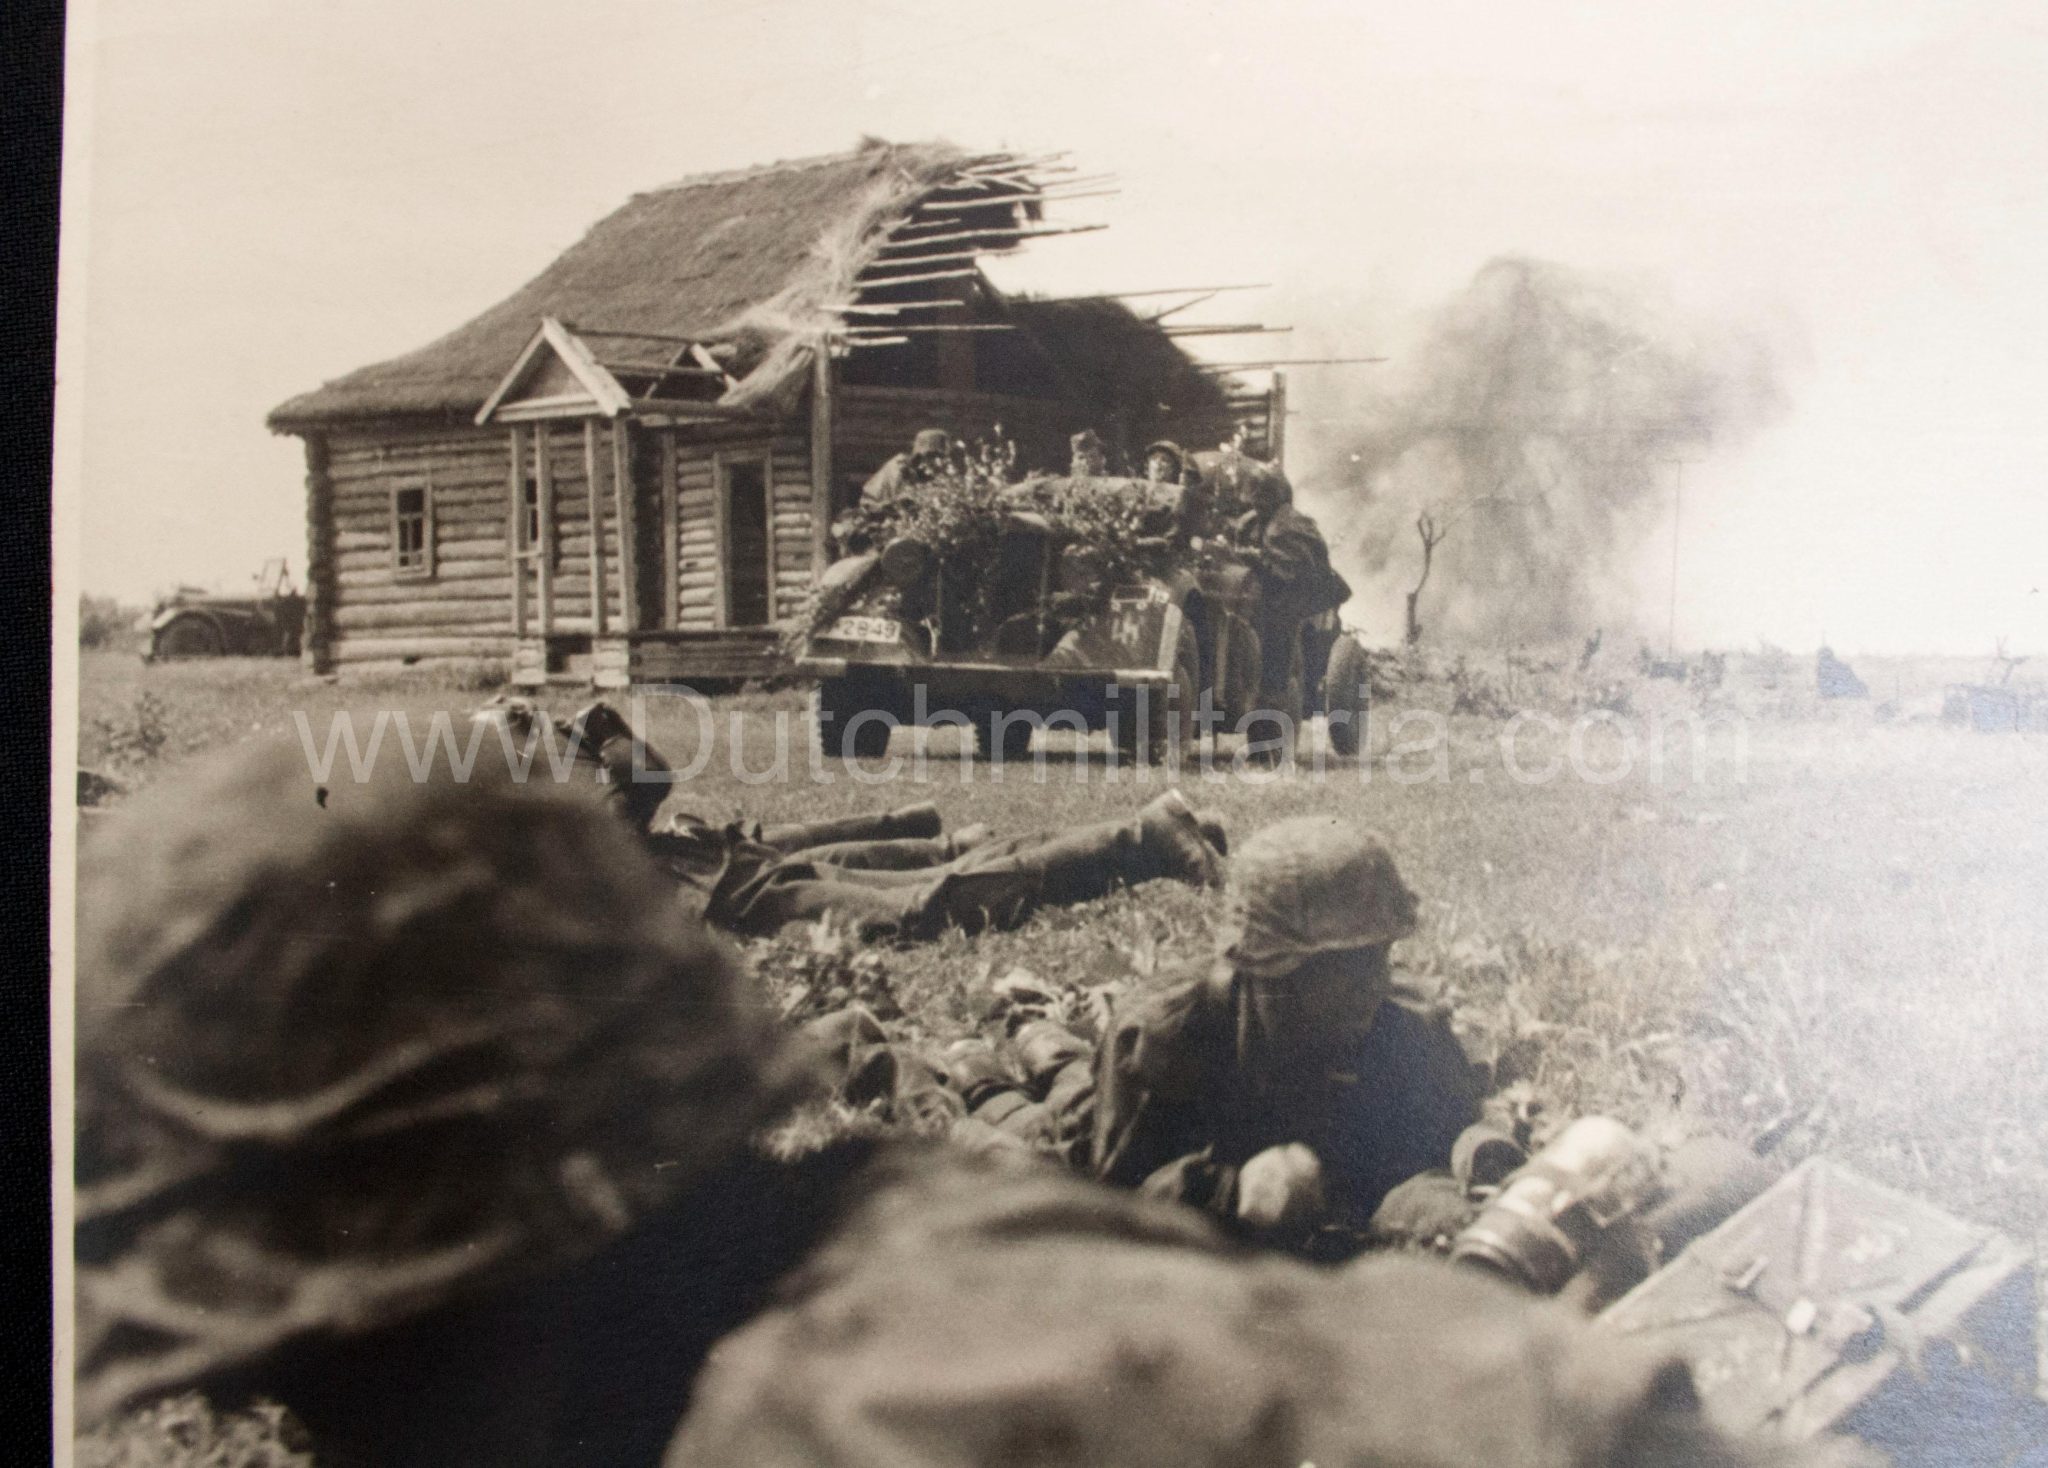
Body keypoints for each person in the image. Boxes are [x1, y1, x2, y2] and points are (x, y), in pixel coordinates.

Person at [74, 743, 1815, 1468]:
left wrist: (1466, 1166)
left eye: (307, 1376)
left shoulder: (841, 1414)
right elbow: (1142, 1184)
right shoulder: (943, 1190)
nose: (304, 1433)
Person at [1072, 815, 1483, 1239]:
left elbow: (1442, 1150)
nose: (1372, 989)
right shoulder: (1160, 1040)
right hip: (1094, 1127)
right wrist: (1229, 1194)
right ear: (1269, 969)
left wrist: (1437, 1200)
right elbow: (1112, 1211)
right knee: (1026, 1133)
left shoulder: (1408, 1029)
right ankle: (1032, 1054)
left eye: (1378, 958)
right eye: (1344, 968)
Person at [649, 786, 1227, 941]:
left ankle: (1144, 838)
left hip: (713, 889)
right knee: (931, 884)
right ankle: (1152, 832)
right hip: (711, 875)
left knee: (923, 910)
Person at [858, 427, 952, 508]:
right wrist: (893, 505)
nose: (936, 462)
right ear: (918, 456)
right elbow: (868, 502)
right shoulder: (896, 469)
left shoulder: (945, 478)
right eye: (931, 455)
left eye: (941, 457)